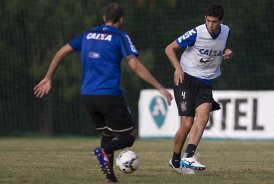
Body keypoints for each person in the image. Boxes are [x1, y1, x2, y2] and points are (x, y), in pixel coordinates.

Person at [34, 3, 173, 183]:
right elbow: (135, 65)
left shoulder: (87, 35)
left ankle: (110, 178)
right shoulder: (120, 36)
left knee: (108, 134)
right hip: (109, 95)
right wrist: (160, 87)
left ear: (103, 18)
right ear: (121, 20)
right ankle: (104, 151)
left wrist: (48, 78)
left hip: (87, 96)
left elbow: (60, 53)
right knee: (128, 136)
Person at [165, 3, 233, 174]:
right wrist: (178, 69)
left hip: (206, 81)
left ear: (221, 21)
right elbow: (169, 48)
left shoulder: (226, 31)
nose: (211, 25)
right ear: (205, 19)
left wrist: (227, 51)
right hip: (186, 77)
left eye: (215, 22)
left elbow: (219, 47)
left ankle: (189, 156)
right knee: (187, 123)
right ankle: (175, 160)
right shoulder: (197, 32)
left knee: (203, 116)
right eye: (208, 21)